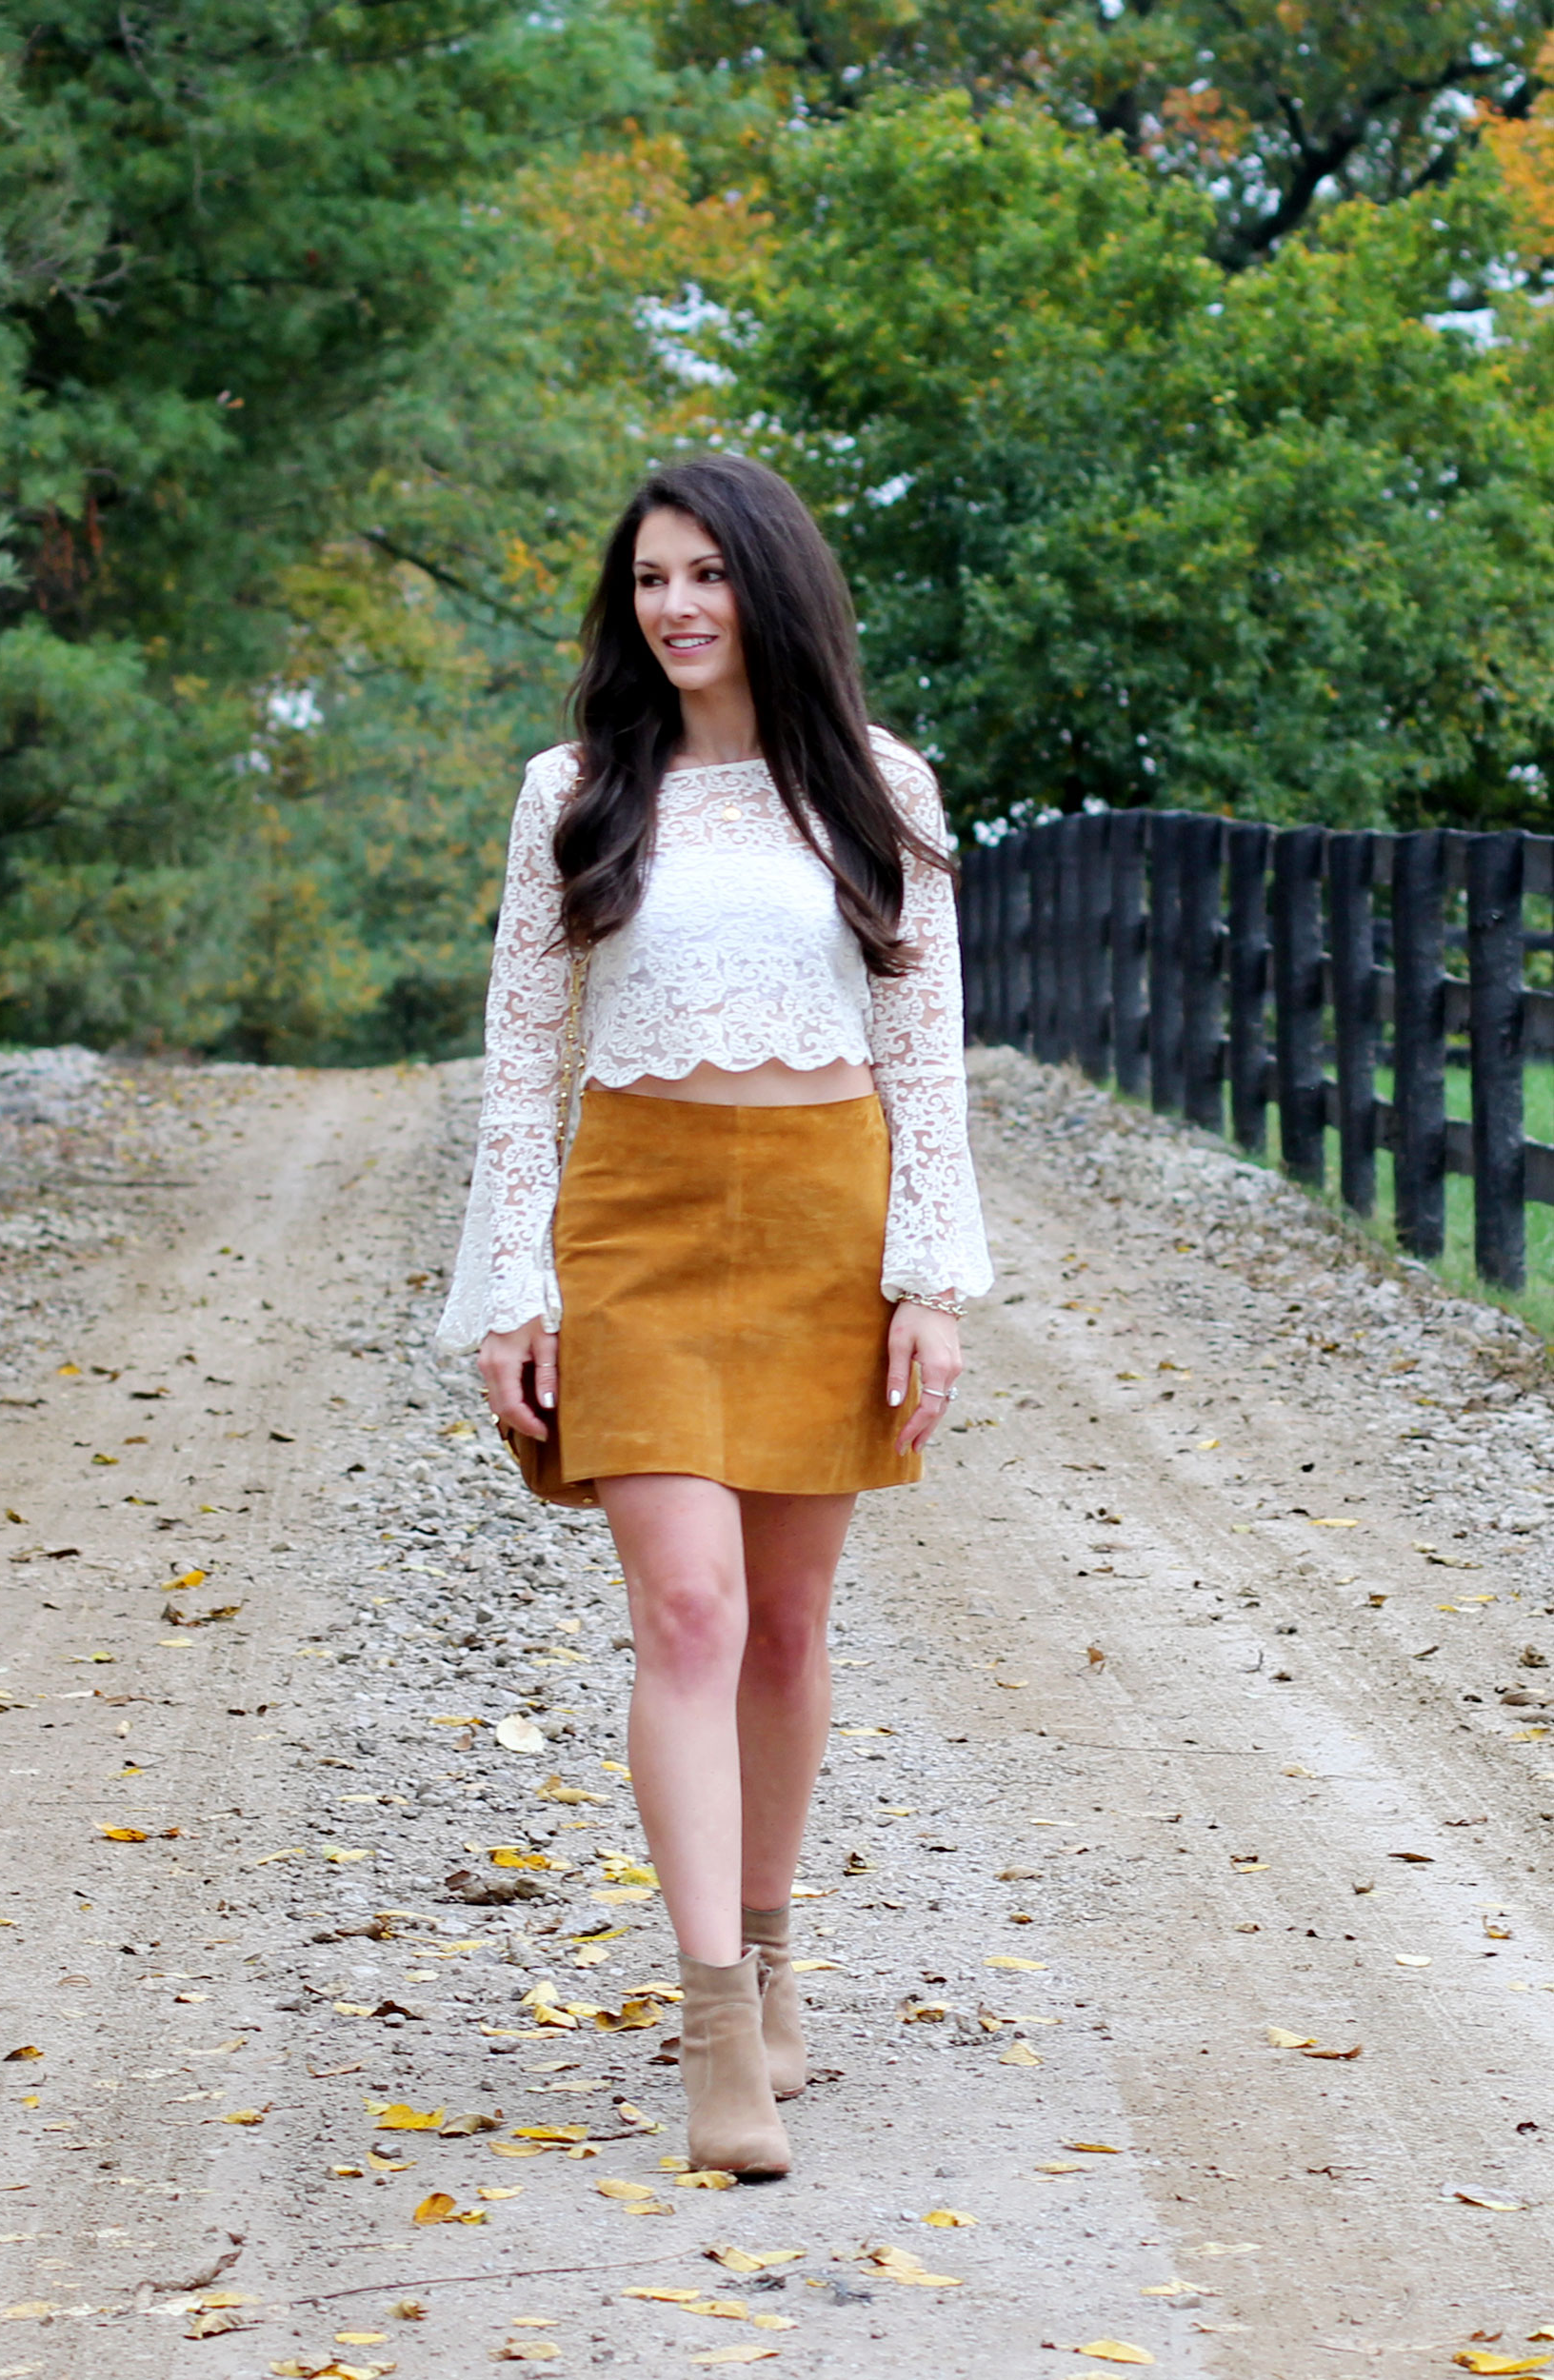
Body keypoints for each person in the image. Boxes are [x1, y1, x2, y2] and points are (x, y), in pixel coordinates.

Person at [438, 454, 991, 2177]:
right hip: (639, 1219)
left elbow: (924, 1060)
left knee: (789, 1624)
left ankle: (769, 1940)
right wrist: (509, 1283)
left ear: (769, 588)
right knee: (686, 1609)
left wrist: (930, 1283)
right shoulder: (573, 791)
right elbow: (523, 1059)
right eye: (649, 580)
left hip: (826, 1218)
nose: (674, 607)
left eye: (704, 576)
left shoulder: (878, 791)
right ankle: (712, 2031)